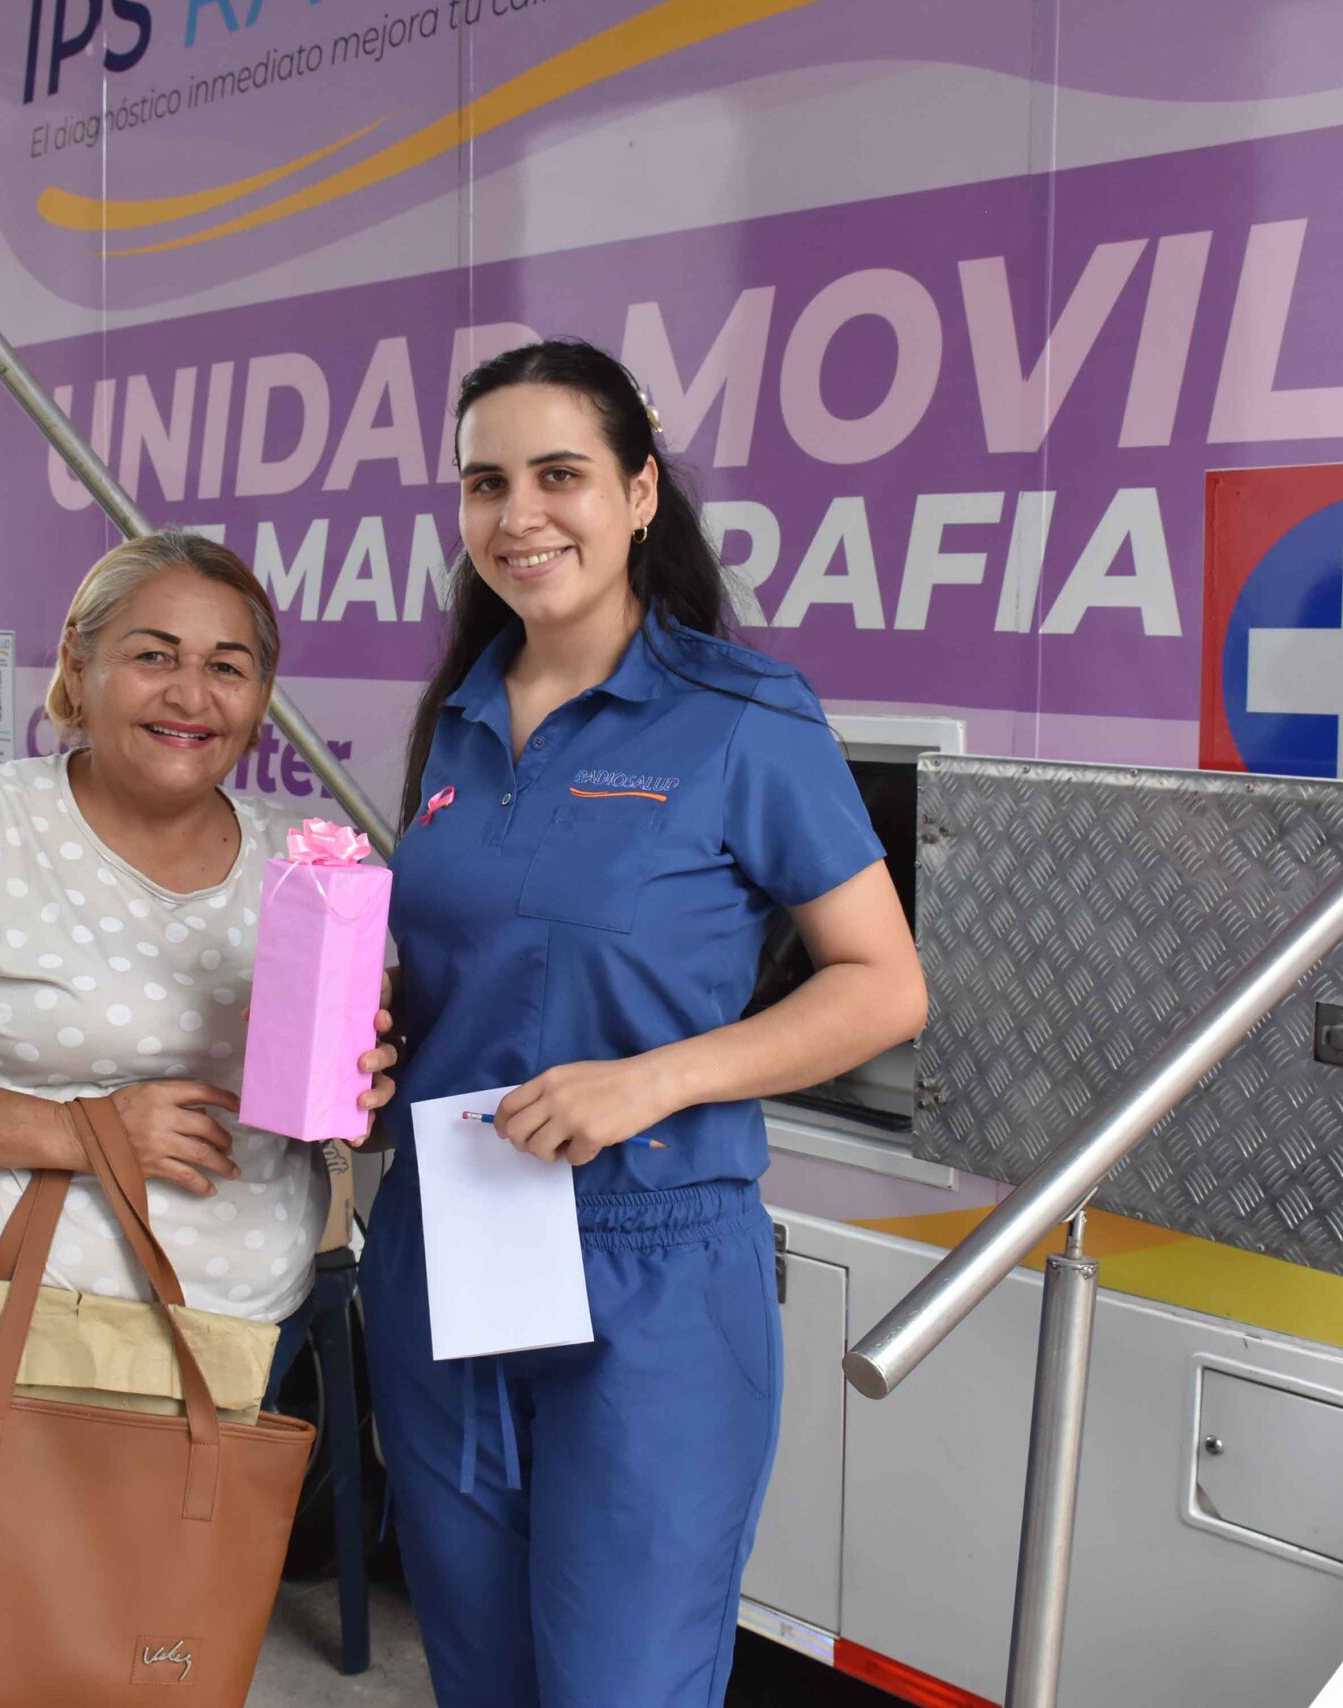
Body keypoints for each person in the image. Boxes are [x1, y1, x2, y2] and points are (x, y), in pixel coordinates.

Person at [368, 339, 930, 1708]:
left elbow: (881, 983)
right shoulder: (454, 719)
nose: (520, 515)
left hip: (654, 1270)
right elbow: (470, 975)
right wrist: (371, 1044)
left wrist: (652, 1082)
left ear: (638, 494)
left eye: (560, 474)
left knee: (623, 1684)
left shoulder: (742, 717)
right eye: (486, 482)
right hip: (449, 1247)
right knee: (480, 1679)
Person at [0, 528, 399, 1623]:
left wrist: (360, 1078)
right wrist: (89, 1130)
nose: (190, 694)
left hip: (229, 1346)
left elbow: (332, 1105)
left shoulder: (305, 862)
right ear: (78, 665)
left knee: (152, 1670)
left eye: (228, 664)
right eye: (153, 654)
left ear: (261, 695)